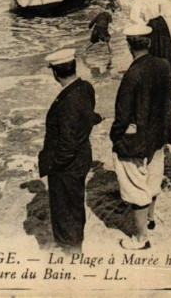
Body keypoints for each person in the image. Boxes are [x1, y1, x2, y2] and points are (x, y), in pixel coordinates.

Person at [110, 24, 171, 250]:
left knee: (134, 183)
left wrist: (116, 135)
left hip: (138, 139)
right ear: (149, 42)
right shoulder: (164, 65)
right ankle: (150, 218)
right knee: (154, 177)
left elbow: (122, 114)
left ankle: (141, 238)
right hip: (158, 134)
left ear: (130, 45)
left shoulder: (132, 74)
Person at [39, 49, 102, 253]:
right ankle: (75, 248)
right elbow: (89, 116)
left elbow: (67, 145)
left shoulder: (67, 102)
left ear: (55, 74)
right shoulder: (85, 88)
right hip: (82, 157)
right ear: (74, 67)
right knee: (74, 205)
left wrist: (53, 165)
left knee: (66, 212)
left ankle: (73, 255)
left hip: (68, 165)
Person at [130, 0, 171, 86]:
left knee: (152, 51)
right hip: (161, 23)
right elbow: (168, 12)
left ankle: (155, 81)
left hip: (150, 25)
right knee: (165, 50)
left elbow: (134, 18)